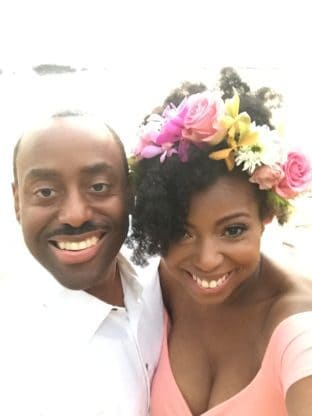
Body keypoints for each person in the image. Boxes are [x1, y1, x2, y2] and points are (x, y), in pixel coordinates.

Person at [128, 72, 312, 415]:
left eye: (232, 231)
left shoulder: (299, 330)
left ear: (267, 214)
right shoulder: (155, 290)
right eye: (182, 232)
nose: (208, 260)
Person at [1, 111, 163, 415]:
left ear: (130, 194)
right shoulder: (13, 362)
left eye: (99, 186)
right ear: (17, 202)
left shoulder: (161, 282)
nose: (75, 215)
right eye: (46, 192)